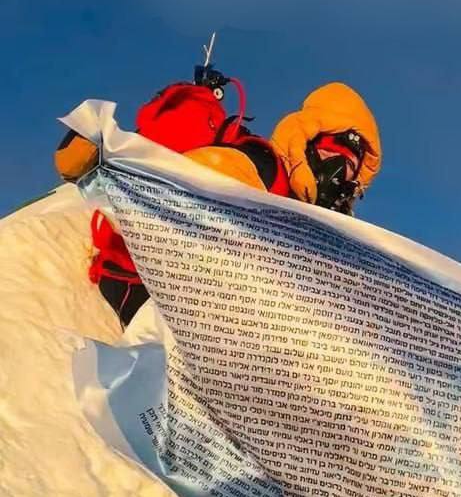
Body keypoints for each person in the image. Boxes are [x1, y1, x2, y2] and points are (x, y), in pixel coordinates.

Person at [54, 56, 382, 327]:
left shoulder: (306, 220)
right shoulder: (261, 168)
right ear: (307, 144)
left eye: (351, 170)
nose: (340, 175)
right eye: (334, 158)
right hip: (143, 288)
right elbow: (181, 196)